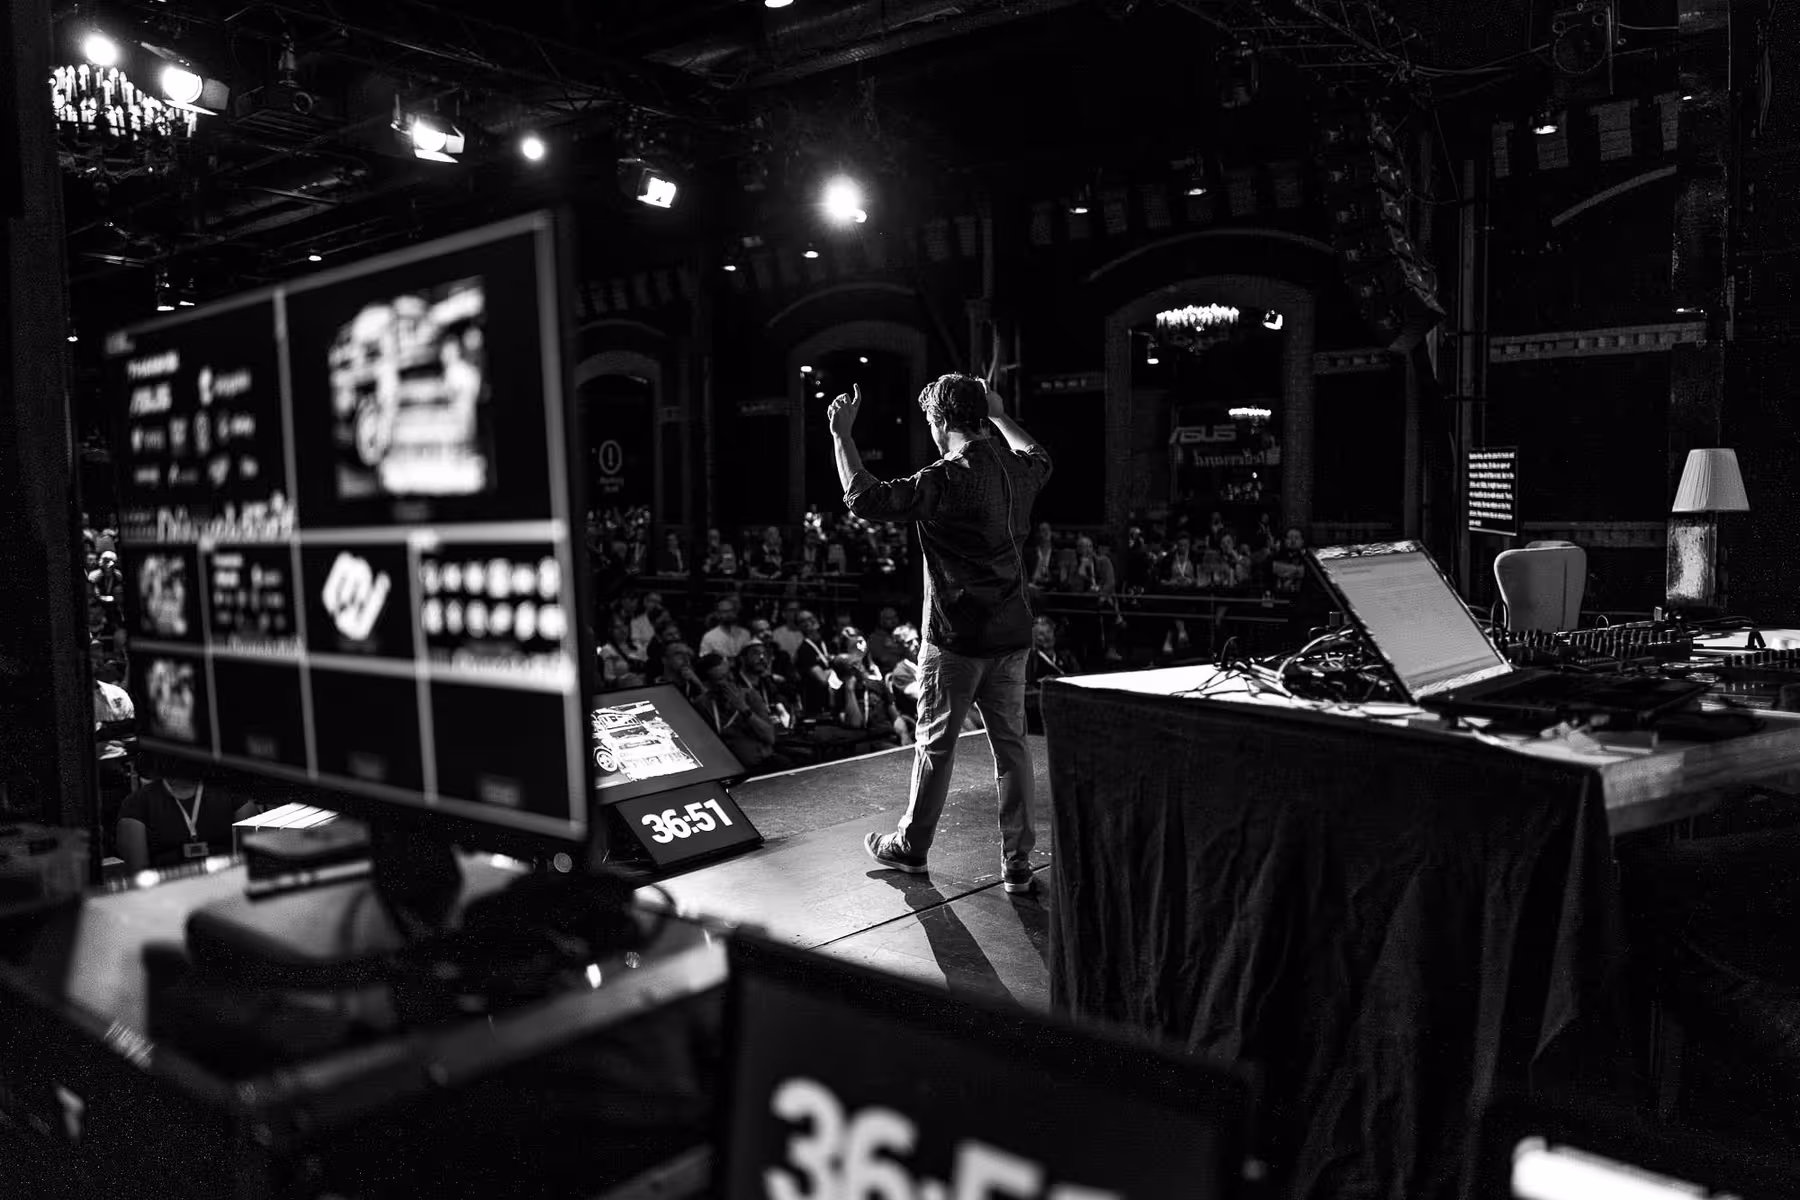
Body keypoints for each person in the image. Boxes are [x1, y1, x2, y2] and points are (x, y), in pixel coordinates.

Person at [828, 373, 1051, 894]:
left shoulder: (944, 479)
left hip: (955, 639)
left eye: (930, 420)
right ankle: (1017, 862)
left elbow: (864, 498)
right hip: (1012, 634)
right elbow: (1040, 455)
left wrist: (842, 437)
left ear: (942, 421)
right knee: (1012, 747)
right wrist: (999, 412)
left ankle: (911, 848)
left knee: (935, 745)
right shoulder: (1017, 471)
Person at [118, 772, 259, 872]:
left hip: (226, 889)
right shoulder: (137, 803)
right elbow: (139, 873)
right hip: (168, 894)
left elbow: (255, 859)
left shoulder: (231, 794)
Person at [698, 596, 754, 662]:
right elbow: (704, 661)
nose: (729, 614)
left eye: (731, 610)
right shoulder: (709, 637)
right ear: (718, 614)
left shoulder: (745, 634)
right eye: (725, 611)